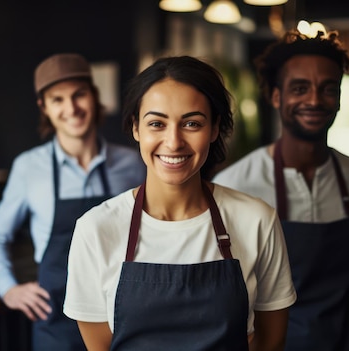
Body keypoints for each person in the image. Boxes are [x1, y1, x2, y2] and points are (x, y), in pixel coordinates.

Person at [63, 56, 297, 351]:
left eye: (191, 123)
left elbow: (271, 342)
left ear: (214, 129)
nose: (173, 142)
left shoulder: (256, 219)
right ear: (136, 128)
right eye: (157, 123)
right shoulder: (96, 228)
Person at [213, 30, 349, 351]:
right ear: (275, 96)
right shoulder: (234, 185)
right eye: (300, 88)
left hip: (345, 340)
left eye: (328, 89)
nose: (314, 100)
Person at [0, 53, 146, 350]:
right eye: (57, 99)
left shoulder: (133, 164)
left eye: (78, 95)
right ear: (44, 107)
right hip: (56, 323)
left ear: (94, 97)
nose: (71, 108)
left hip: (124, 317)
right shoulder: (29, 167)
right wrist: (9, 289)